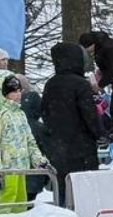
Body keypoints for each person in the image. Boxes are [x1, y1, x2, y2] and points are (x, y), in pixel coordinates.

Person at [41, 42, 106, 208]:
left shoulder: (51, 84)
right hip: (81, 146)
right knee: (84, 189)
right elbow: (89, 114)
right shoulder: (80, 84)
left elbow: (45, 112)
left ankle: (64, 213)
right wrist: (99, 133)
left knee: (63, 187)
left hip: (58, 145)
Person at [0, 75, 47, 212]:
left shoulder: (20, 114)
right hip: (5, 169)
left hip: (21, 167)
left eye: (19, 91)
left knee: (20, 205)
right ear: (2, 92)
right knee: (5, 205)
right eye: (13, 91)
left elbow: (29, 140)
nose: (18, 95)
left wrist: (39, 160)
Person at [79, 30, 113, 96]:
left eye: (86, 48)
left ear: (91, 44)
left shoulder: (109, 48)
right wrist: (102, 71)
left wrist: (101, 85)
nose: (87, 51)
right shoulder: (100, 46)